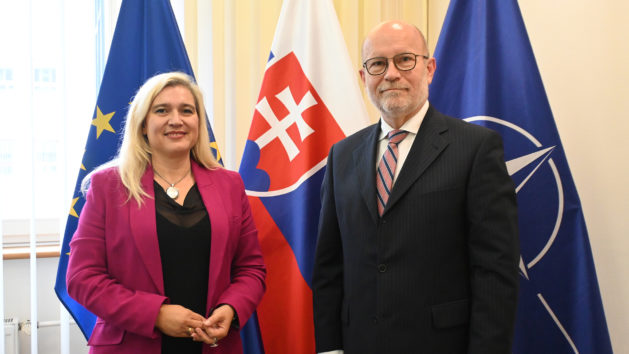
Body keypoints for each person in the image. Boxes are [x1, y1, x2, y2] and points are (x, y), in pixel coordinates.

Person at [312, 20, 519, 354]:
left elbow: (495, 272)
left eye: (405, 59)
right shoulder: (342, 155)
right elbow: (329, 266)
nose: (391, 73)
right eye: (378, 64)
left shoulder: (475, 148)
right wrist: (330, 347)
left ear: (429, 68)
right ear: (364, 77)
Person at [66, 72, 266, 353]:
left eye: (187, 110)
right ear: (143, 125)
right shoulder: (108, 186)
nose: (177, 120)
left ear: (198, 122)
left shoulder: (230, 185)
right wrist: (155, 314)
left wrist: (232, 307)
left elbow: (251, 268)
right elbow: (82, 277)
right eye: (162, 110)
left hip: (212, 343)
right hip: (133, 344)